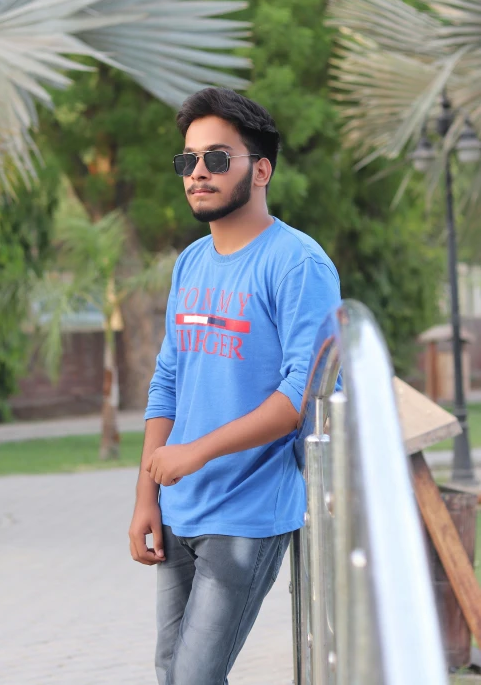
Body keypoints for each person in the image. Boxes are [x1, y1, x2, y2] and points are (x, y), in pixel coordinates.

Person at [128, 87, 341, 685]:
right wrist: (146, 497)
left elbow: (301, 398)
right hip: (178, 507)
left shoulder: (298, 264)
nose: (198, 173)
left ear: (262, 169)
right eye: (189, 160)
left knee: (194, 677)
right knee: (173, 674)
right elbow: (167, 382)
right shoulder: (190, 263)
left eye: (217, 158)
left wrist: (195, 452)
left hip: (247, 510)